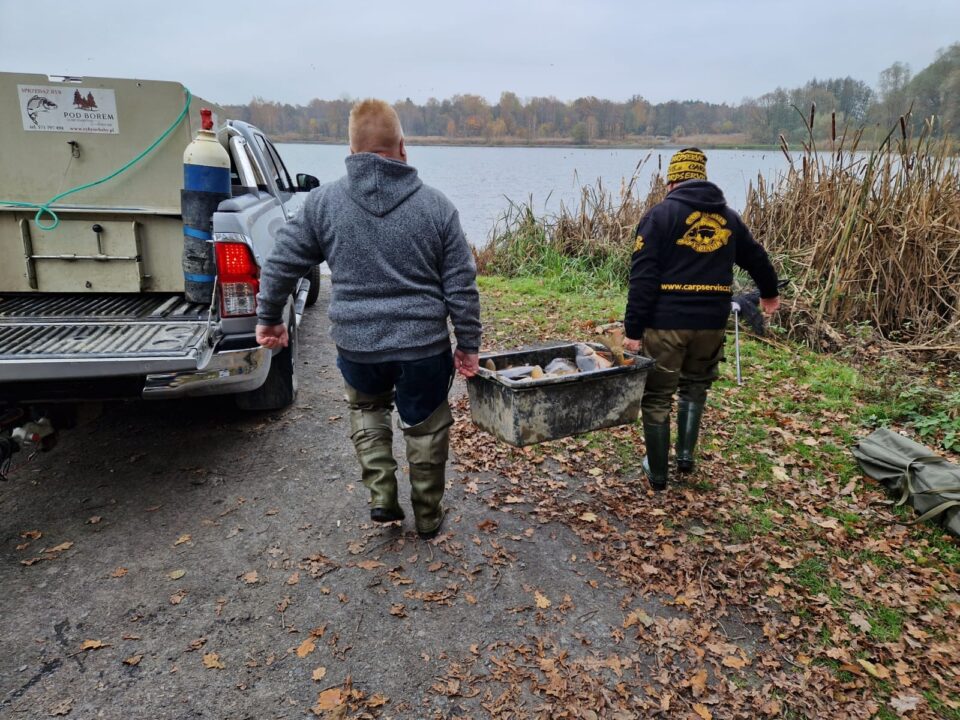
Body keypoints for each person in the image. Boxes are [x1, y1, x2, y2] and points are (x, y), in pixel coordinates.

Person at [255, 99, 481, 538]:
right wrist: (468, 344)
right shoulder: (437, 207)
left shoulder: (322, 204)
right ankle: (429, 515)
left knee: (367, 411)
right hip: (423, 348)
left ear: (352, 148)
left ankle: (382, 498)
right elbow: (461, 285)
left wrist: (269, 316)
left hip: (357, 346)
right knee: (425, 426)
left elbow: (282, 261)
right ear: (402, 147)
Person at [623, 148, 779, 491]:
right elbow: (757, 257)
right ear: (702, 177)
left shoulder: (659, 216)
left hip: (667, 325)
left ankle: (658, 472)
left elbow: (643, 278)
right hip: (711, 323)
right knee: (695, 388)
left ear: (674, 180)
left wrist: (633, 331)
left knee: (657, 397)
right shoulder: (729, 218)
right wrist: (769, 292)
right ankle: (685, 458)